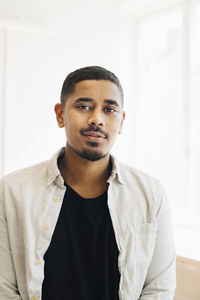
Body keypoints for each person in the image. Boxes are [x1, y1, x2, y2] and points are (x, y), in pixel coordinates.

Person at [0, 66, 176, 300]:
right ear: (60, 114)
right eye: (84, 107)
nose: (97, 119)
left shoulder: (151, 194)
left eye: (109, 109)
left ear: (121, 121)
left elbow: (159, 289)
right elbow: (4, 288)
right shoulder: (13, 191)